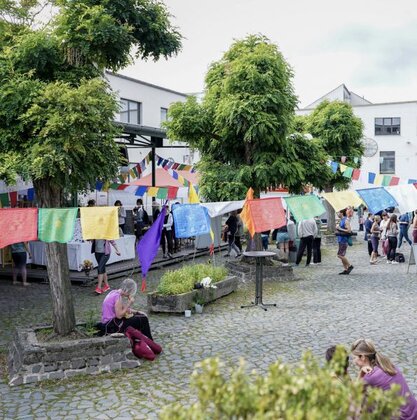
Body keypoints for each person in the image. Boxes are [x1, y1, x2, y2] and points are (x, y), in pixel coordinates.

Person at [351, 338, 417, 419]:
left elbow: (353, 394)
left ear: (363, 357)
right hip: (413, 411)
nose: (353, 362)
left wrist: (361, 374)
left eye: (354, 358)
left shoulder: (371, 376)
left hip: (402, 417)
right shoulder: (386, 364)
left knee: (363, 400)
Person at [336, 207, 354, 275]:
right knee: (342, 255)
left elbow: (349, 230)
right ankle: (346, 269)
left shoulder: (346, 220)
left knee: (339, 255)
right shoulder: (341, 220)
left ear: (341, 213)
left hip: (344, 240)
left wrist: (340, 228)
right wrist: (338, 228)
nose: (337, 214)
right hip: (341, 240)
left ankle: (350, 266)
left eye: (338, 212)